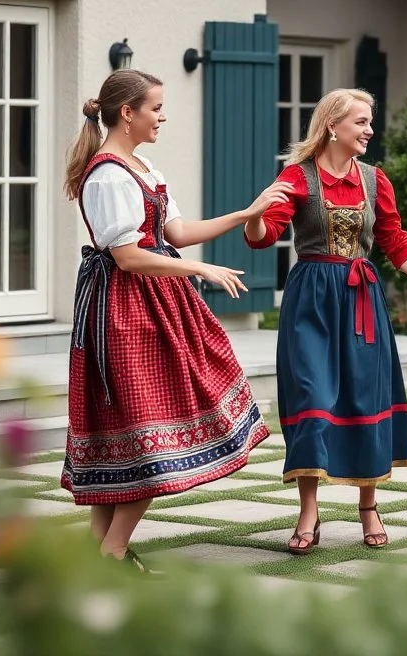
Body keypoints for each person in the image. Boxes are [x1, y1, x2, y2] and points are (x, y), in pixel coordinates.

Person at [244, 88, 407, 555]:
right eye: (361, 122)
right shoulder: (298, 176)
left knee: (363, 396)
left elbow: (397, 244)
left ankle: (368, 506)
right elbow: (262, 236)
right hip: (311, 300)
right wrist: (253, 214)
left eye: (370, 121)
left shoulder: (374, 181)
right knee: (312, 395)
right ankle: (308, 510)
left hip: (361, 301)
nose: (370, 130)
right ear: (333, 125)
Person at [61, 69, 274, 572]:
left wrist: (244, 214)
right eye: (155, 107)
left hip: (159, 305)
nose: (162, 116)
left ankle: (101, 556)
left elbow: (175, 231)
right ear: (127, 113)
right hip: (126, 312)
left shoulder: (141, 166)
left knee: (134, 430)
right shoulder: (110, 173)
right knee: (149, 432)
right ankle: (111, 551)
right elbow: (130, 257)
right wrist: (198, 268)